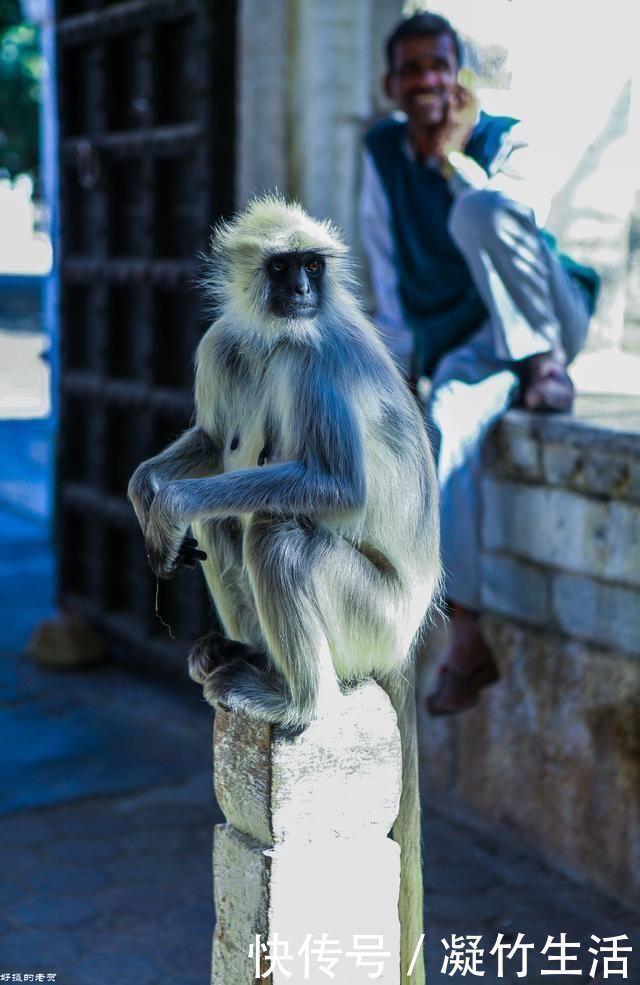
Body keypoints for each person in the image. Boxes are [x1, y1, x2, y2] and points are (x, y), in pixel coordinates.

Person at [359, 12, 599, 716]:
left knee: (481, 209)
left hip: (549, 314)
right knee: (446, 423)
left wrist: (452, 158)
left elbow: (508, 224)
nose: (428, 80)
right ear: (390, 84)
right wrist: (395, 383)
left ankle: (545, 364)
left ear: (459, 73)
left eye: (440, 64)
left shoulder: (504, 135)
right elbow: (389, 276)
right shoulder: (379, 153)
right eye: (413, 69)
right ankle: (468, 636)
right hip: (472, 343)